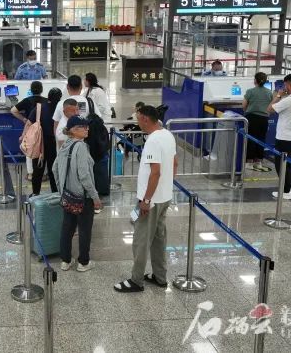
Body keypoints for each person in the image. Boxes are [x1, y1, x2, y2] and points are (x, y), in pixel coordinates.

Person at [114, 105, 177, 293]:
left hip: (151, 200)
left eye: (138, 119)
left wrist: (147, 200)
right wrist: (166, 187)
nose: (137, 123)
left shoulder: (153, 141)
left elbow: (155, 172)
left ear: (146, 119)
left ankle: (136, 280)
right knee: (158, 239)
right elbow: (174, 163)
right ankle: (160, 276)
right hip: (164, 197)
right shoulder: (168, 135)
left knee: (141, 240)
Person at [52, 116, 102, 272]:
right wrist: (95, 197)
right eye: (83, 127)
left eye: (87, 126)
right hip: (83, 197)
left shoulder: (65, 145)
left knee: (67, 228)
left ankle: (65, 261)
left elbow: (54, 169)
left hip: (68, 195)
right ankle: (83, 263)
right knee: (84, 230)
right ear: (73, 130)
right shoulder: (81, 147)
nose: (87, 129)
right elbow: (84, 176)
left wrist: (62, 190)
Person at [11, 81, 57, 195]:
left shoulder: (29, 102)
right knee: (53, 168)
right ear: (42, 90)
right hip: (52, 139)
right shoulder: (51, 104)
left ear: (31, 90)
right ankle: (55, 194)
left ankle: (35, 192)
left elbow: (14, 111)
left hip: (36, 137)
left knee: (36, 165)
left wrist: (24, 123)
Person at [243, 72, 273, 172]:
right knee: (261, 139)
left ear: (255, 80)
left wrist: (248, 110)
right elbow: (271, 106)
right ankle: (259, 161)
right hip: (264, 119)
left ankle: (249, 162)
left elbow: (244, 105)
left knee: (251, 139)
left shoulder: (250, 91)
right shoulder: (269, 92)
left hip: (252, 118)